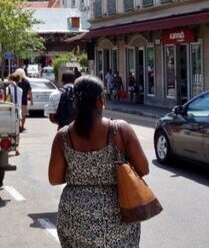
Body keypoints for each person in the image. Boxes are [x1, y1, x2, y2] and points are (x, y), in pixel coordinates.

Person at [48, 76, 149, 247]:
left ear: (75, 102)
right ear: (101, 99)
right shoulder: (121, 130)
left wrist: (82, 175)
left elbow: (54, 178)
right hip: (118, 214)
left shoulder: (63, 137)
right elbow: (143, 168)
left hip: (75, 215)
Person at [7, 73, 24, 155]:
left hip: (8, 112)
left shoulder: (7, 89)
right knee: (17, 132)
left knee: (8, 131)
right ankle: (17, 148)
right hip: (18, 112)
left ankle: (9, 146)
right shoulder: (20, 90)